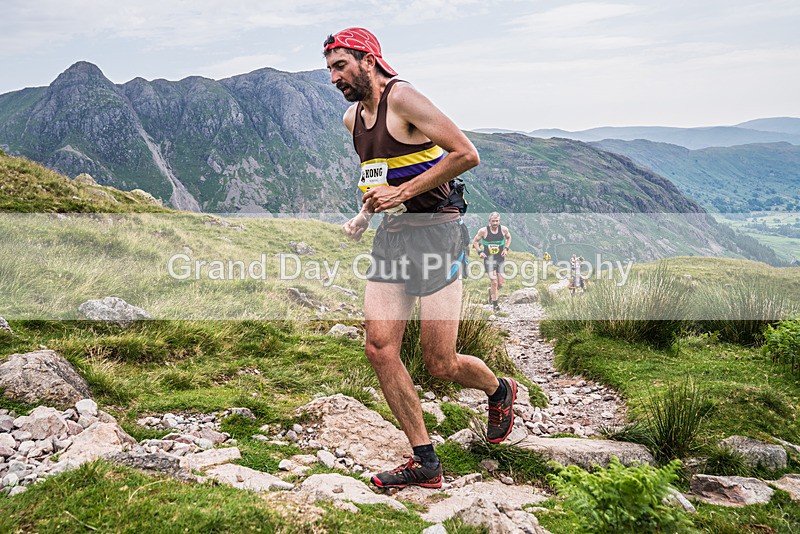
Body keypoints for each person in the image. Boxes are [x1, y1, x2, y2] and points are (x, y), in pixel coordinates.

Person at [324, 27, 517, 490]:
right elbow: (380, 182)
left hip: (438, 234)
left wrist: (405, 192)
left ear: (368, 61)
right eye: (330, 69)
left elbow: (466, 154)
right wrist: (363, 216)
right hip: (393, 237)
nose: (333, 78)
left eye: (340, 66)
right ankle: (425, 461)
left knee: (441, 363)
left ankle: (499, 389)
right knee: (378, 347)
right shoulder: (353, 120)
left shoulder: (404, 98)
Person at [472, 212, 511, 312]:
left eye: (497, 221)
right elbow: (475, 241)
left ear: (499, 221)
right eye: (493, 221)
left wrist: (506, 249)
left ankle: (491, 292)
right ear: (489, 221)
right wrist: (480, 251)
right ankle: (495, 305)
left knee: (500, 284)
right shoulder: (483, 231)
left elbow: (509, 238)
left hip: (500, 259)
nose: (495, 223)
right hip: (489, 259)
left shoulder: (503, 230)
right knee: (494, 282)